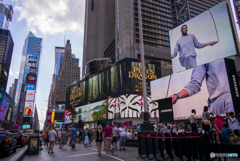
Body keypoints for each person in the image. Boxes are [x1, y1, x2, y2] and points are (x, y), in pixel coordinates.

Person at [169, 59, 234, 115]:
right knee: (231, 100)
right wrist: (177, 96)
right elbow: (195, 84)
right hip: (220, 100)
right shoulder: (204, 57)